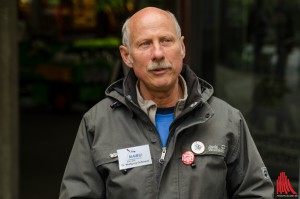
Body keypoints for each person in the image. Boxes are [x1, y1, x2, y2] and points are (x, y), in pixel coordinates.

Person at [59, 7, 274, 199]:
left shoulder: (226, 120)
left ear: (182, 47)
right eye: (145, 44)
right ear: (127, 56)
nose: (158, 53)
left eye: (166, 40)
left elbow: (255, 192)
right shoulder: (97, 123)